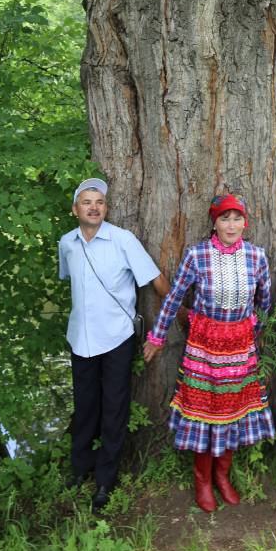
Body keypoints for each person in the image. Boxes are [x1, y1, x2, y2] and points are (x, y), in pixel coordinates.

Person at [144, 194, 275, 513]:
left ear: (246, 222)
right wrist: (157, 336)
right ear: (214, 223)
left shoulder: (256, 256)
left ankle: (222, 475)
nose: (231, 225)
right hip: (204, 348)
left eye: (236, 218)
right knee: (205, 411)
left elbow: (265, 301)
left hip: (240, 349)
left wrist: (253, 332)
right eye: (224, 219)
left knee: (232, 410)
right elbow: (174, 298)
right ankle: (202, 479)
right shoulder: (197, 255)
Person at [59, 178, 170, 512]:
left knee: (114, 409)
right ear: (75, 208)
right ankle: (80, 470)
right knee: (85, 408)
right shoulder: (67, 243)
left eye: (100, 203)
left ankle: (106, 480)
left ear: (106, 209)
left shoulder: (123, 240)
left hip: (117, 337)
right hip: (81, 338)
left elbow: (157, 281)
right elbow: (70, 281)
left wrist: (175, 314)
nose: (94, 208)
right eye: (87, 202)